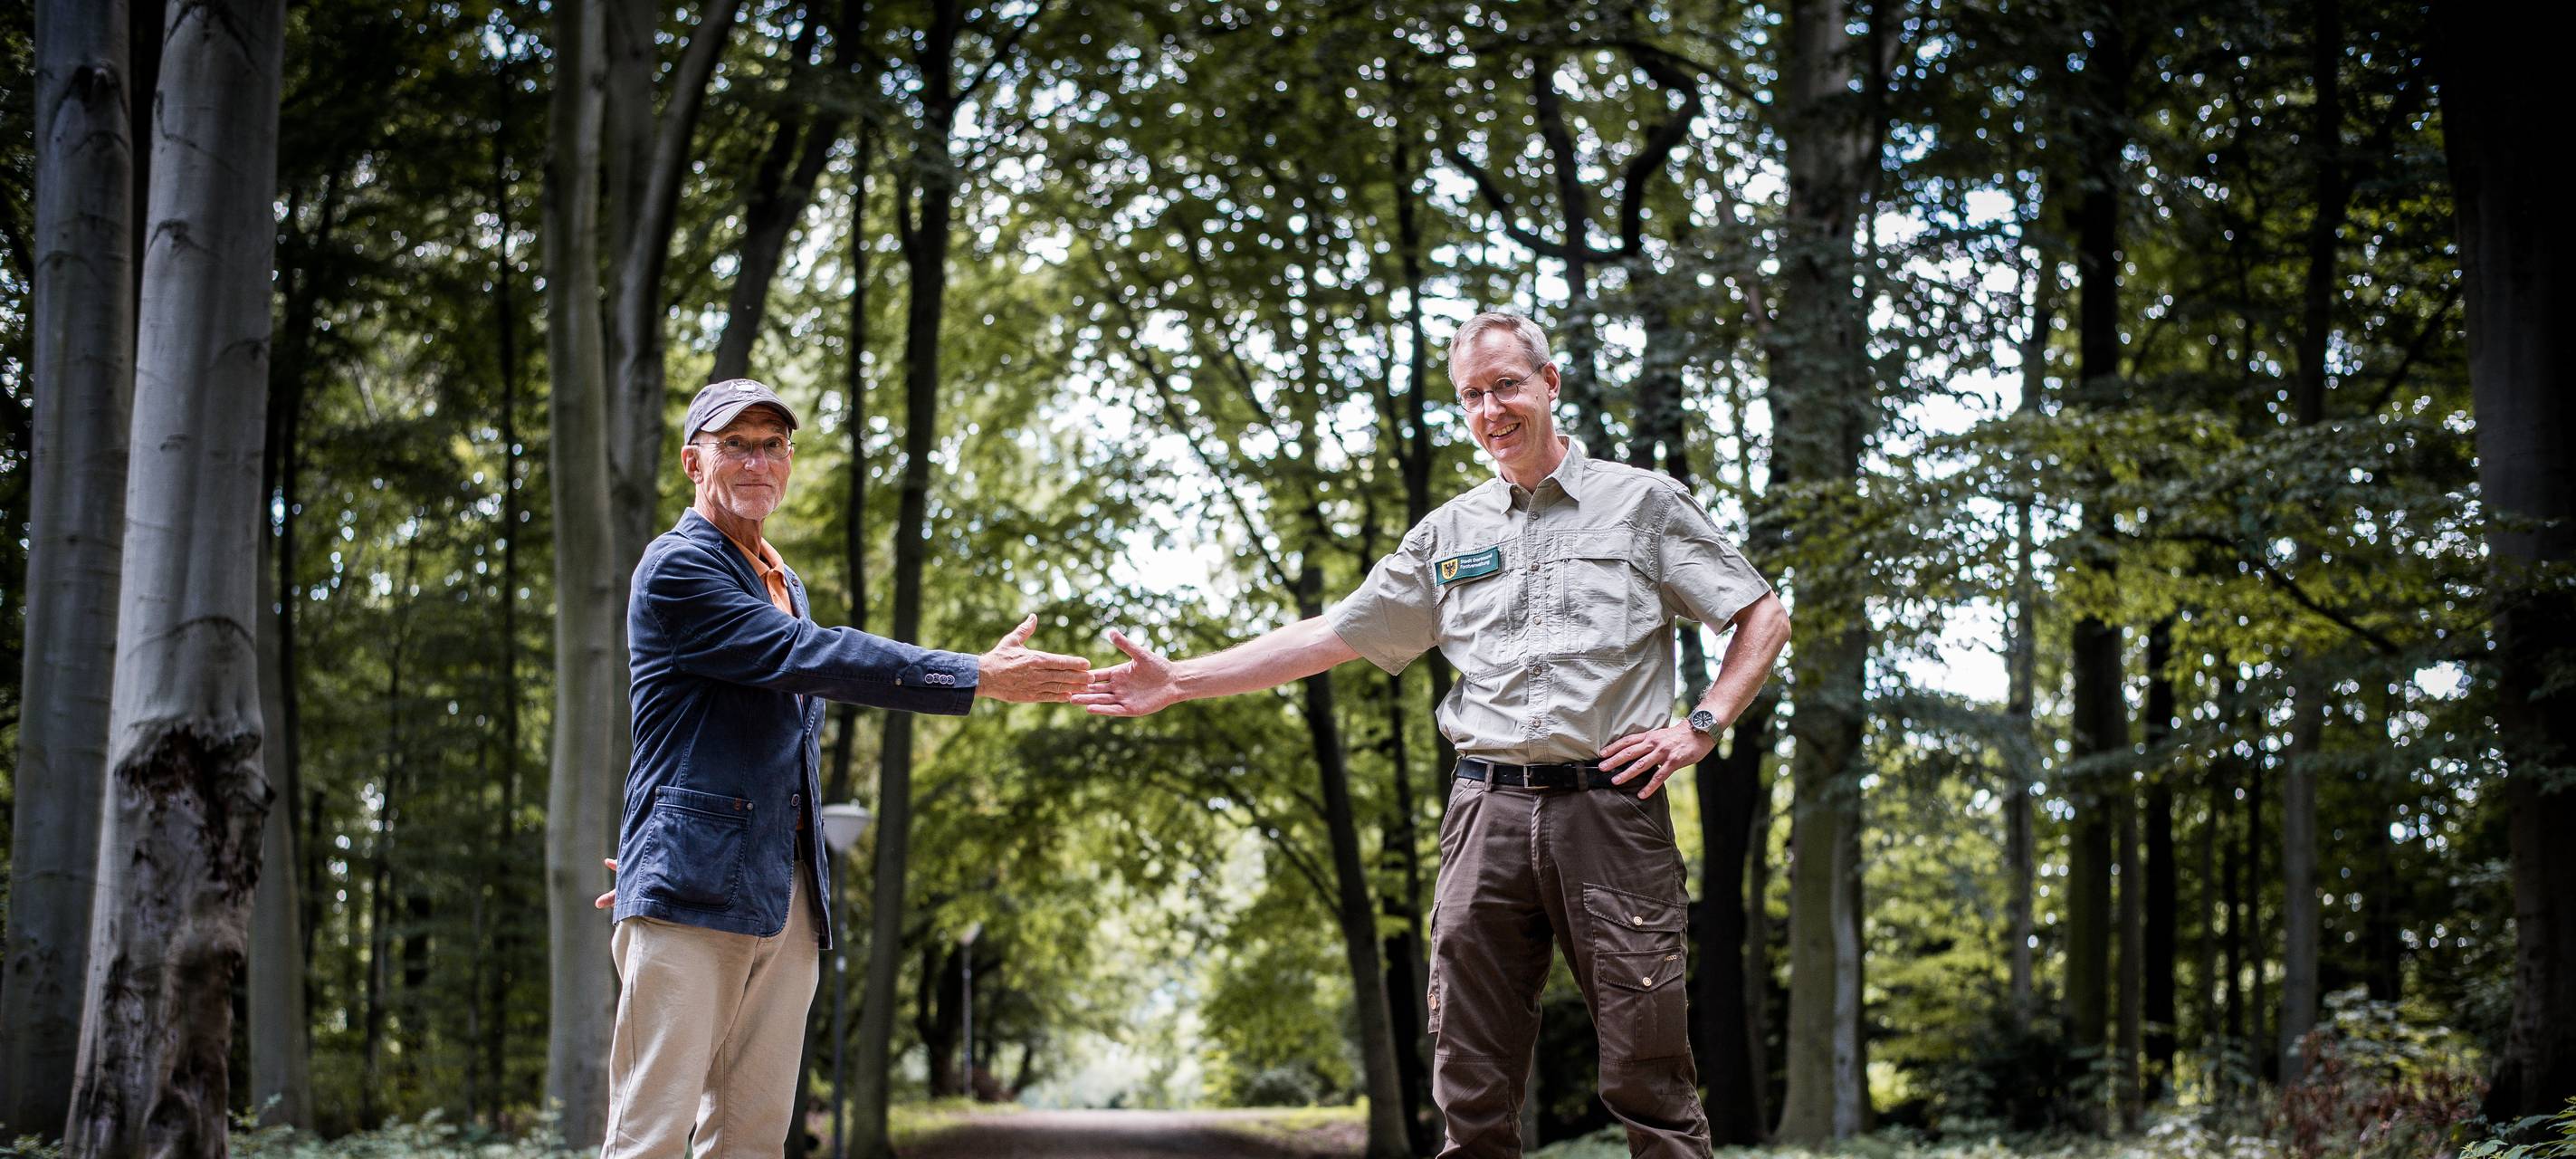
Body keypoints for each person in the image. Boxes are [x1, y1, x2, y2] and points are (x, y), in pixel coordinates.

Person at [1078, 312, 1791, 1159]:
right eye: (1472, 395)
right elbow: (1333, 633)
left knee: (1649, 1073)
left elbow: (1762, 613)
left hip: (1610, 810)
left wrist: (1700, 727)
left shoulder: (1640, 502)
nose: (1492, 410)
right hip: (1483, 812)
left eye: (1507, 386)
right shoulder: (1449, 535)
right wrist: (1182, 680)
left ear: (1550, 384)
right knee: (1471, 1079)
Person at [594, 378, 1087, 1158]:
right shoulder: (678, 566)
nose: (758, 461)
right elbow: (804, 656)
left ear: (788, 463)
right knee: (650, 1135)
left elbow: (751, 740)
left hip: (784, 892)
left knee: (752, 1140)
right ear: (694, 462)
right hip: (691, 891)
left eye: (774, 445)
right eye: (736, 445)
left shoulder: (784, 582)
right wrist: (973, 674)